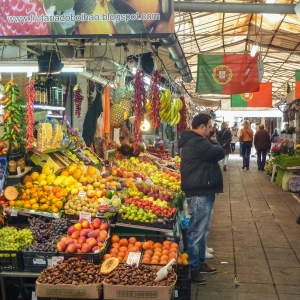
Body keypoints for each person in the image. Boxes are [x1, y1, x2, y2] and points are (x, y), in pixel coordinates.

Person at [178, 113, 224, 285]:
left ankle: (200, 261)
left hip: (203, 190)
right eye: (209, 125)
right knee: (197, 231)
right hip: (199, 193)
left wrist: (210, 139)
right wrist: (213, 140)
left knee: (202, 230)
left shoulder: (197, 141)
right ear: (202, 127)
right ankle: (193, 268)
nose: (211, 129)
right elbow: (218, 151)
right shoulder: (197, 142)